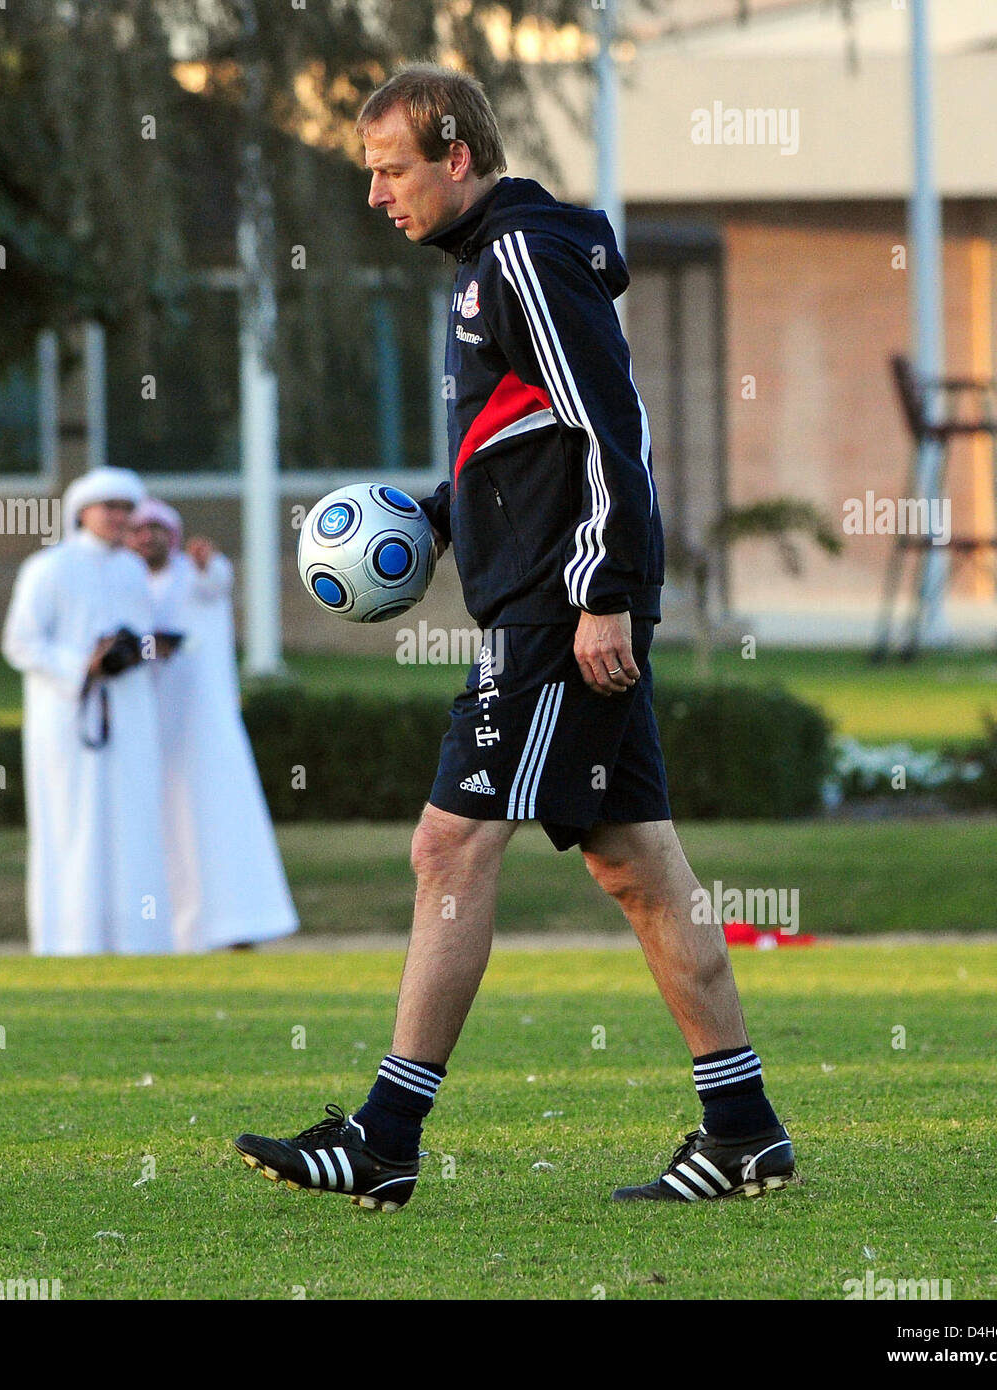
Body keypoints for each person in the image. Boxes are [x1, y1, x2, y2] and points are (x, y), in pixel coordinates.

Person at [234, 67, 795, 1209]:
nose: (377, 196)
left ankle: (387, 1134)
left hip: (556, 613)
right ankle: (743, 1130)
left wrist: (602, 590)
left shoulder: (525, 257)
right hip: (548, 601)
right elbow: (523, 432)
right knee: (636, 865)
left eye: (391, 170)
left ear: (453, 153)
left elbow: (608, 427)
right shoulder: (487, 266)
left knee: (449, 849)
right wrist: (441, 519)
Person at [1, 467, 173, 955]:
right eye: (110, 508)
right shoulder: (48, 568)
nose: (120, 518)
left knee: (133, 823)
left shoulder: (132, 569)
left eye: (126, 508)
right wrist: (83, 664)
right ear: (83, 512)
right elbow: (20, 642)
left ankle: (137, 940)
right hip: (68, 717)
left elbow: (140, 632)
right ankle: (71, 943)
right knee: (72, 825)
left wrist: (145, 649)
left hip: (130, 711)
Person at [126, 499, 298, 952]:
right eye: (138, 530)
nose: (147, 537)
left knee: (219, 826)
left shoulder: (194, 574)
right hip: (151, 735)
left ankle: (235, 926)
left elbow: (216, 581)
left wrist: (208, 565)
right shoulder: (127, 584)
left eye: (156, 529)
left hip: (206, 731)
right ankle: (169, 933)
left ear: (173, 536)